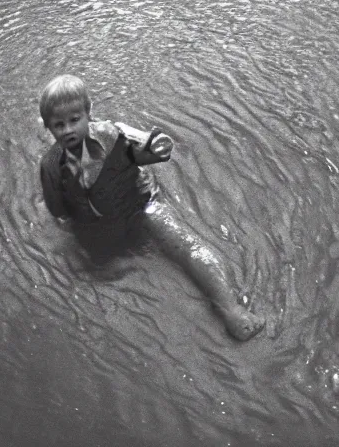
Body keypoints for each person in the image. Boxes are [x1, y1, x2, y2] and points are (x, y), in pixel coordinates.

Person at [39, 74, 265, 341]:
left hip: (141, 203)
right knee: (101, 266)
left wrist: (155, 151)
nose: (67, 130)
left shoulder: (113, 134)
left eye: (74, 120)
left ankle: (232, 311)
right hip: (98, 221)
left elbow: (144, 151)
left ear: (89, 114)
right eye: (58, 125)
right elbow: (59, 211)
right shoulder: (52, 166)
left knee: (185, 245)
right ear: (48, 128)